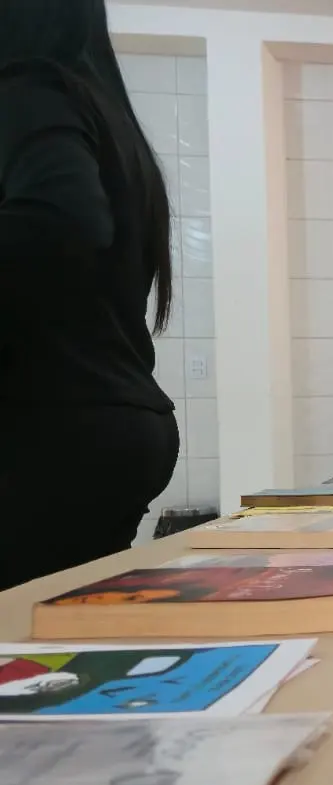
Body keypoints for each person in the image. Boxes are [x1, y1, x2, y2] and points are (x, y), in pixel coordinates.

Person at [0, 0, 182, 591]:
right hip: (115, 420)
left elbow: (60, 222)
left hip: (49, 425)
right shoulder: (108, 118)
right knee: (58, 629)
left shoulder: (30, 88)